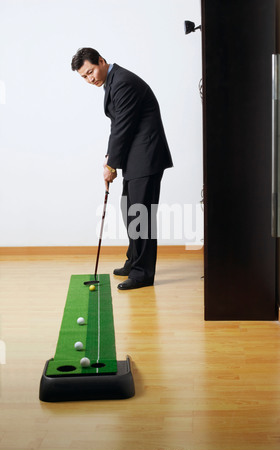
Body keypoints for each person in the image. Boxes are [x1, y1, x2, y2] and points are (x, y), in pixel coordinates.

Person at [71, 48, 173, 290]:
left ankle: (142, 274)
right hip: (136, 157)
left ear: (101, 61)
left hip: (146, 156)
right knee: (131, 211)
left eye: (91, 71)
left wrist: (110, 165)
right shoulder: (113, 82)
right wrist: (111, 157)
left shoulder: (123, 82)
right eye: (84, 77)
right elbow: (118, 125)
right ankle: (133, 261)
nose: (90, 79)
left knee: (141, 216)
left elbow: (123, 128)